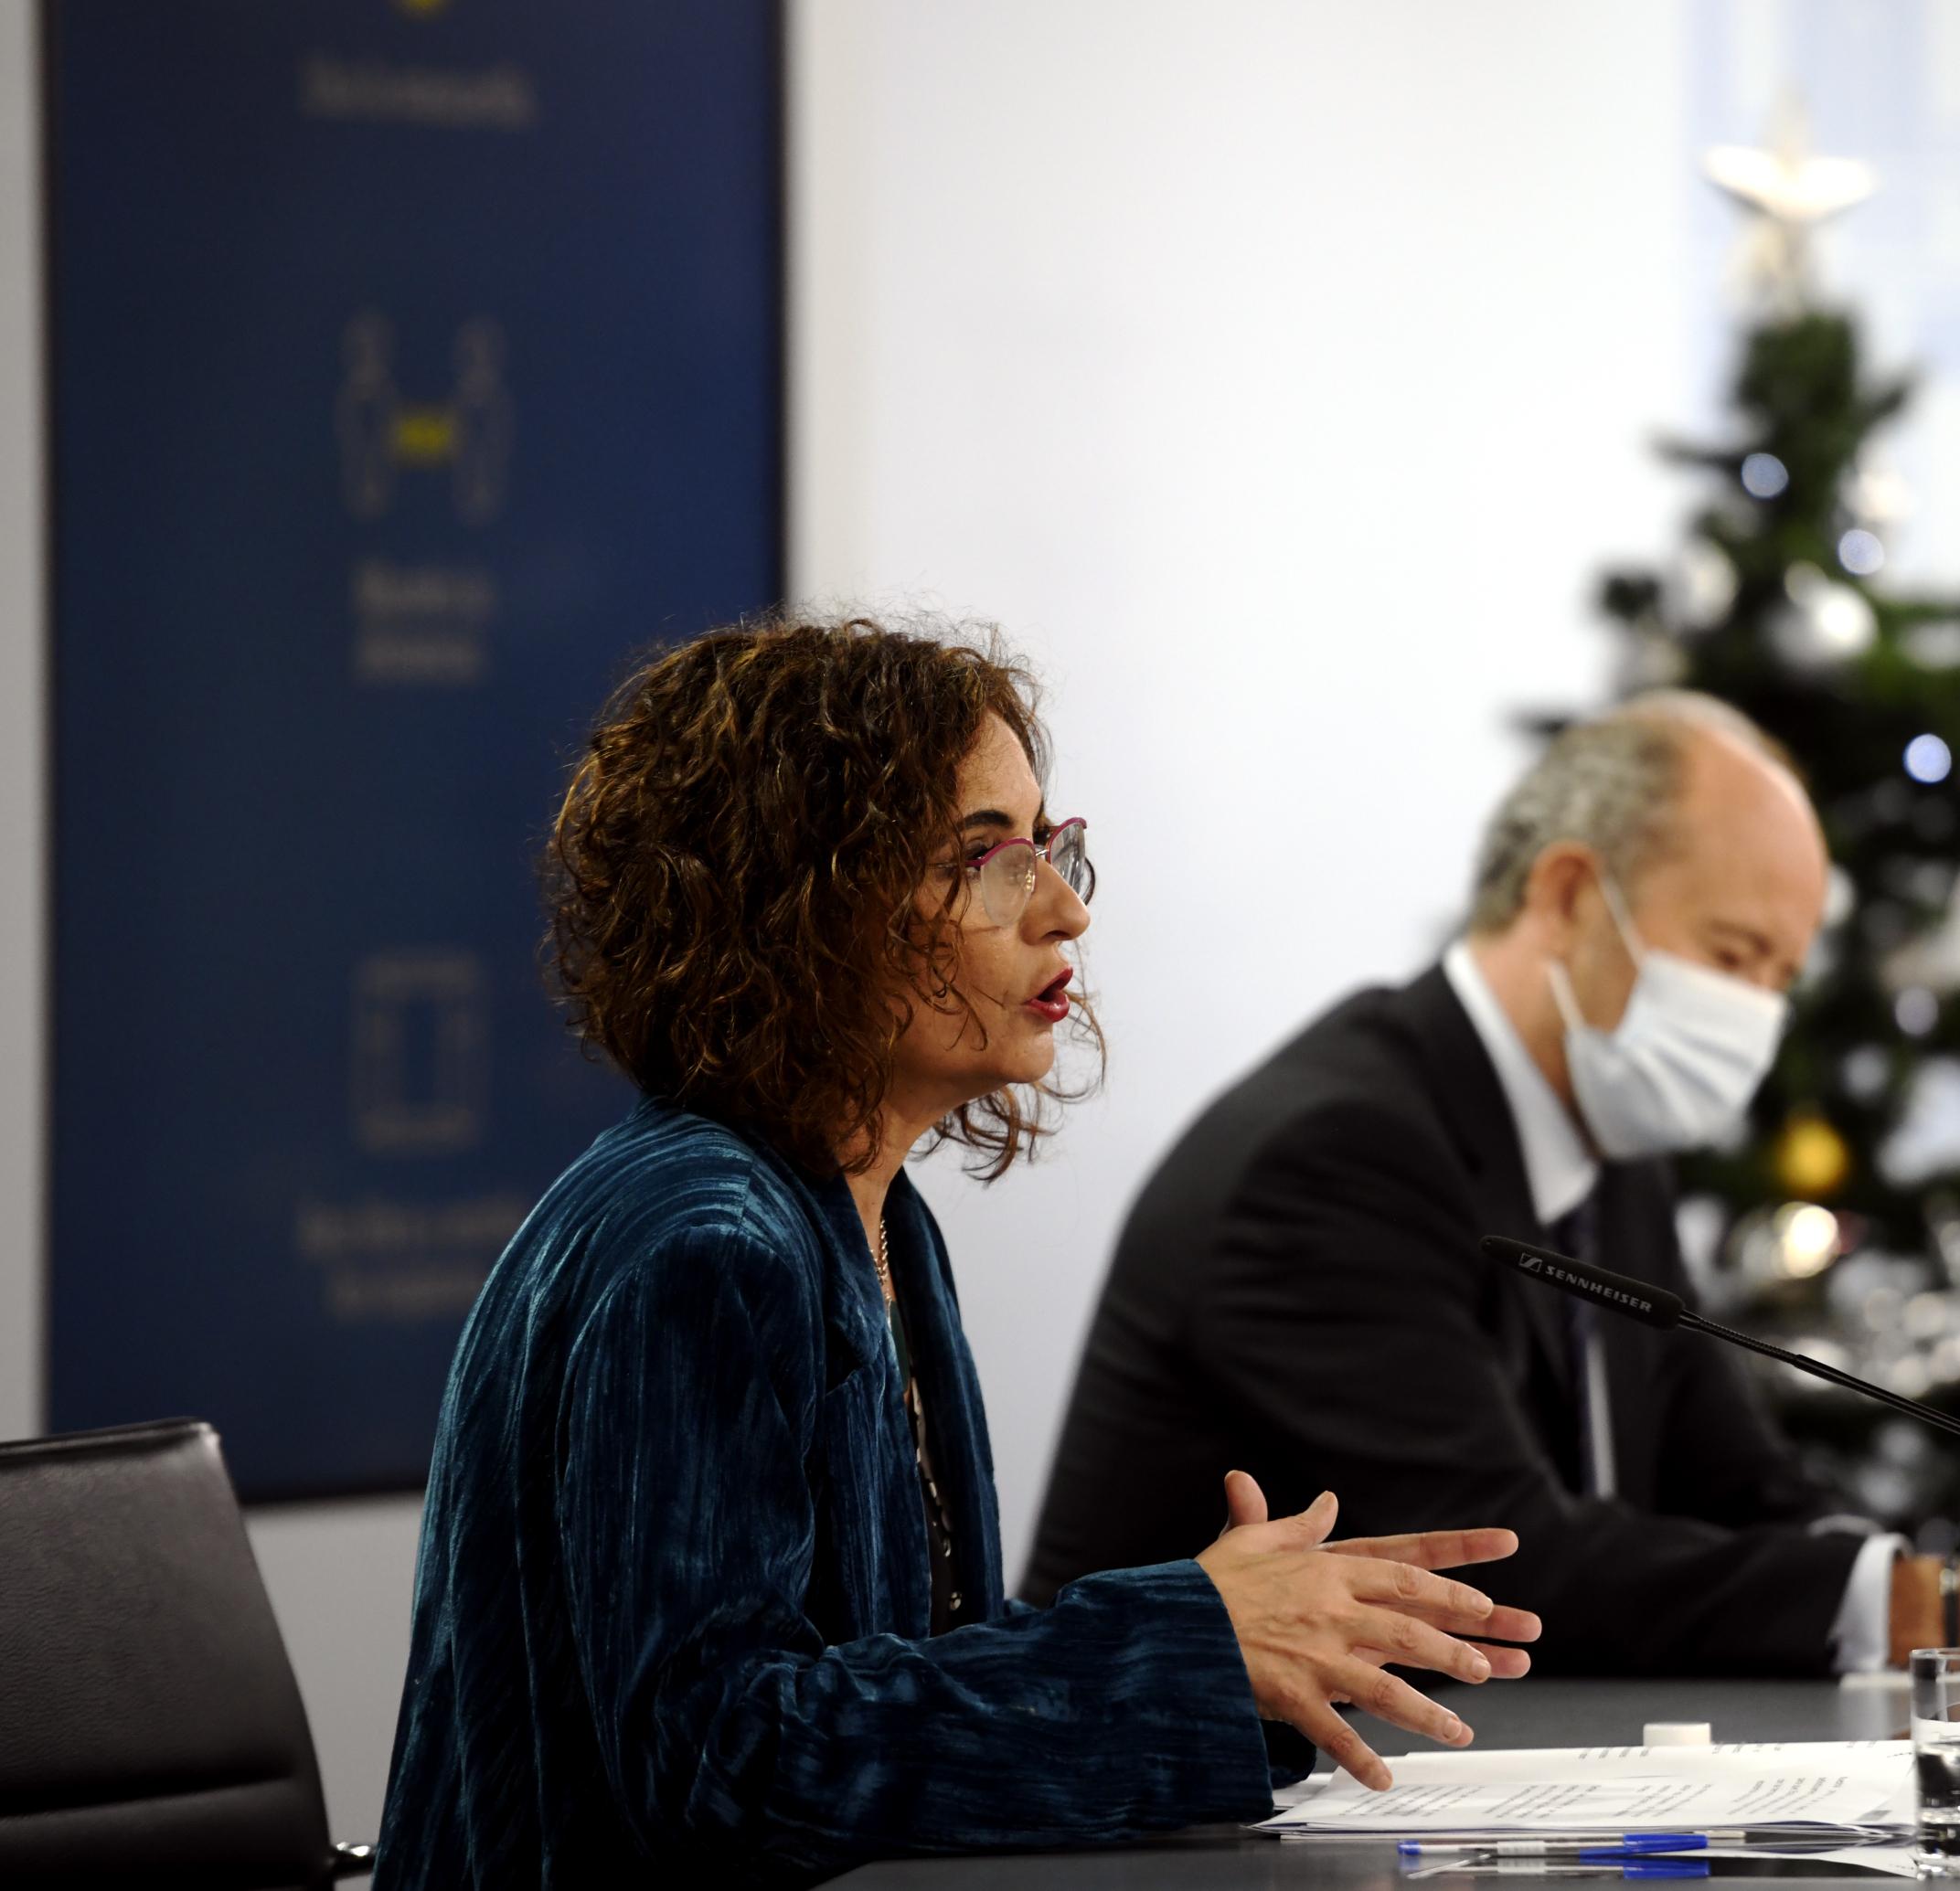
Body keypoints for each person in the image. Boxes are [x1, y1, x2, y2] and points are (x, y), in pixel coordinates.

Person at [374, 618, 1539, 1888]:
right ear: (804, 905)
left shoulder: (872, 1218)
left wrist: (1248, 1661)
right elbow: (721, 1764)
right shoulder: (704, 1246)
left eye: (1052, 849)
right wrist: (1177, 1642)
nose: (1060, 913)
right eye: (988, 858)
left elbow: (905, 1695)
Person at [1029, 693, 1960, 1672]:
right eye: (1733, 956)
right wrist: (1920, 1605)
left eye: (1780, 977)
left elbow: (1732, 1482)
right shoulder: (1333, 1155)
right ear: (1571, 894)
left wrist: (1942, 1589)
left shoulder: (1604, 1140)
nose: (1758, 1018)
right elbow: (1511, 1560)